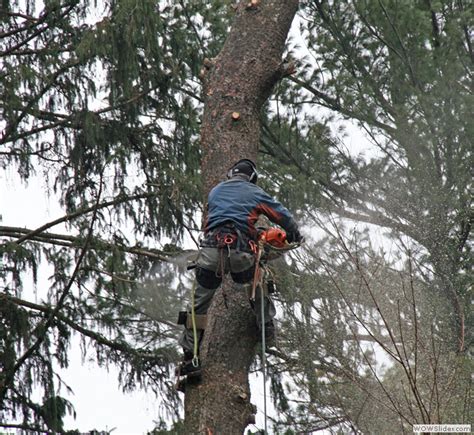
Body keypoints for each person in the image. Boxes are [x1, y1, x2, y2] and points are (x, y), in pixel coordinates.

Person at [177, 158, 302, 373]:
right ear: (252, 178)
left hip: (210, 253)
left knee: (198, 307)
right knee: (257, 282)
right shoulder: (254, 192)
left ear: (230, 174)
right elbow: (282, 215)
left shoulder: (215, 191)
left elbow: (212, 222)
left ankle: (191, 358)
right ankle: (266, 325)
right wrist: (293, 233)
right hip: (240, 253)